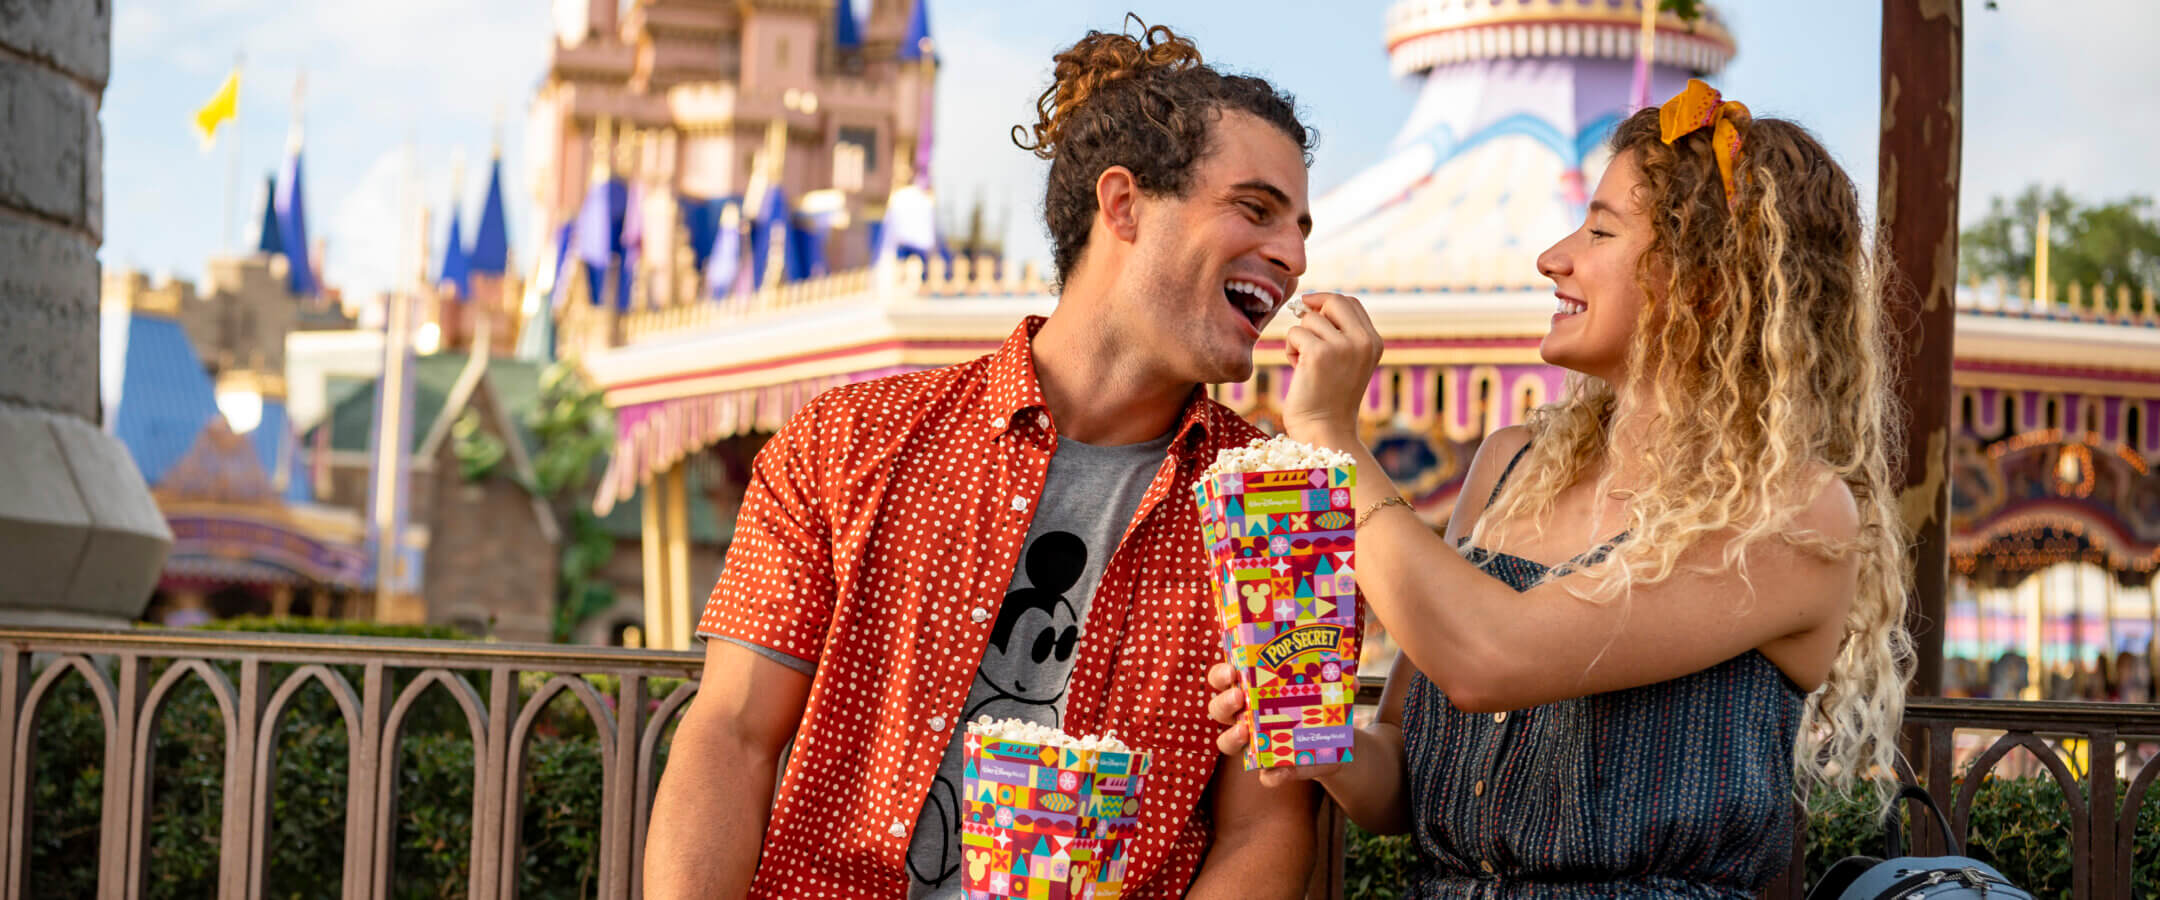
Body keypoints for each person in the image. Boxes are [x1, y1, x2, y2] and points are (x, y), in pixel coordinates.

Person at [646, 20, 1321, 899]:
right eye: (1256, 208)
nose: (1295, 258)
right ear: (1122, 206)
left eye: (1301, 227)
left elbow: (1265, 828)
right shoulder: (849, 440)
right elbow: (729, 737)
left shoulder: (1281, 508)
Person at [1209, 80, 1914, 897]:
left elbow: (1488, 657)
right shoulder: (1511, 464)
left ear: (1708, 279)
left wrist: (1331, 436)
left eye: (1602, 229)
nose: (1556, 256)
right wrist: (1317, 738)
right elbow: (1402, 775)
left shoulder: (1791, 510)